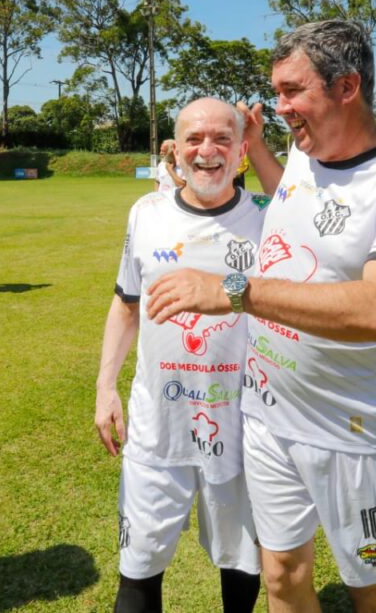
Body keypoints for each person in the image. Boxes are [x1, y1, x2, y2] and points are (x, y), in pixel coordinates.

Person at [145, 21, 376, 613]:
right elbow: (301, 209)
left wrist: (234, 290)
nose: (279, 106)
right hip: (266, 416)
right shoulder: (304, 160)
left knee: (371, 594)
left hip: (352, 431)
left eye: (291, 91)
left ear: (347, 87)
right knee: (281, 578)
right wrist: (257, 147)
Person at [95, 97, 266, 613]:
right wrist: (105, 386)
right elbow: (126, 306)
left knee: (242, 563)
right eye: (194, 139)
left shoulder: (267, 216)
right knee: (139, 567)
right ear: (177, 147)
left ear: (241, 150)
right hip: (158, 425)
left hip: (242, 424)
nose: (206, 151)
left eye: (221, 139)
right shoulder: (146, 213)